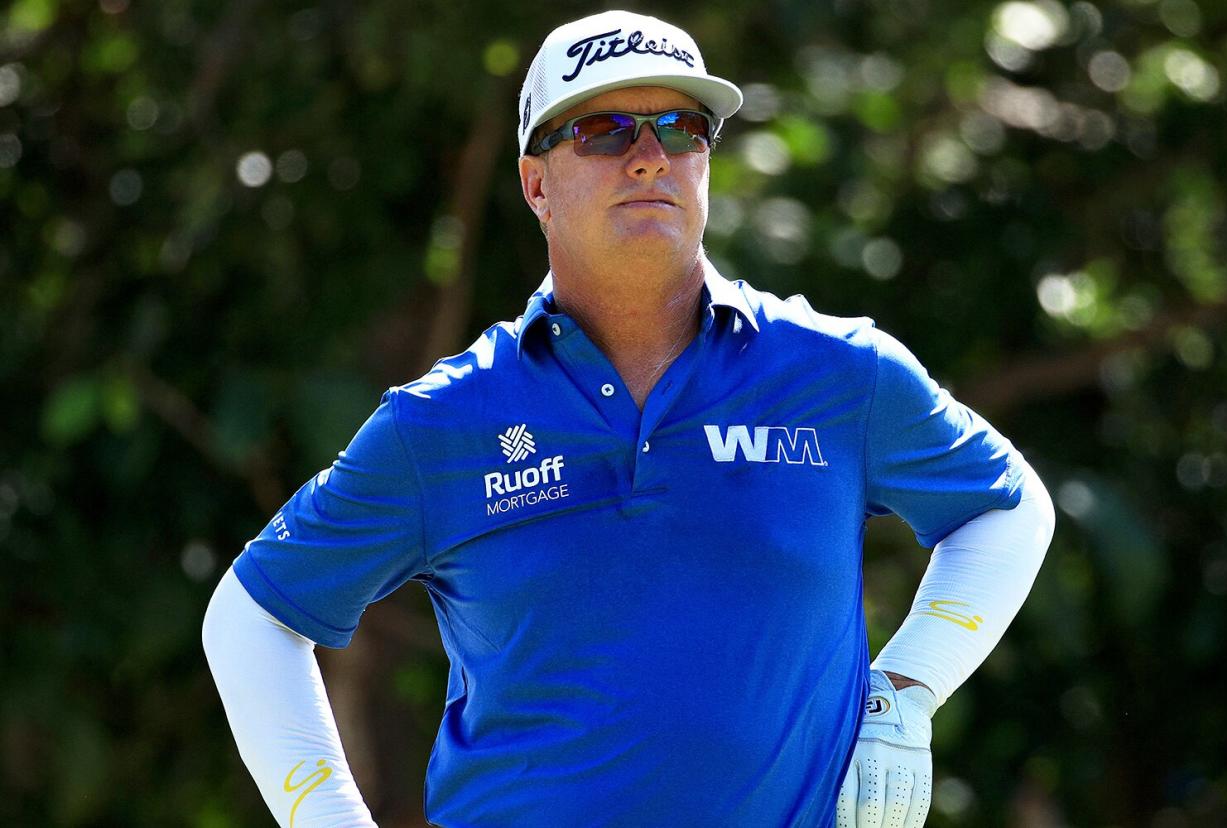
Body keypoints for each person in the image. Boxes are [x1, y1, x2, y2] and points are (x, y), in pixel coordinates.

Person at [202, 10, 1055, 827]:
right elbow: (251, 616)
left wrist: (903, 691)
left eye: (683, 129)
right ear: (536, 183)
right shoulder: (443, 425)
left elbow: (1008, 507)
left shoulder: (841, 374)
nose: (651, 158)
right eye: (605, 131)